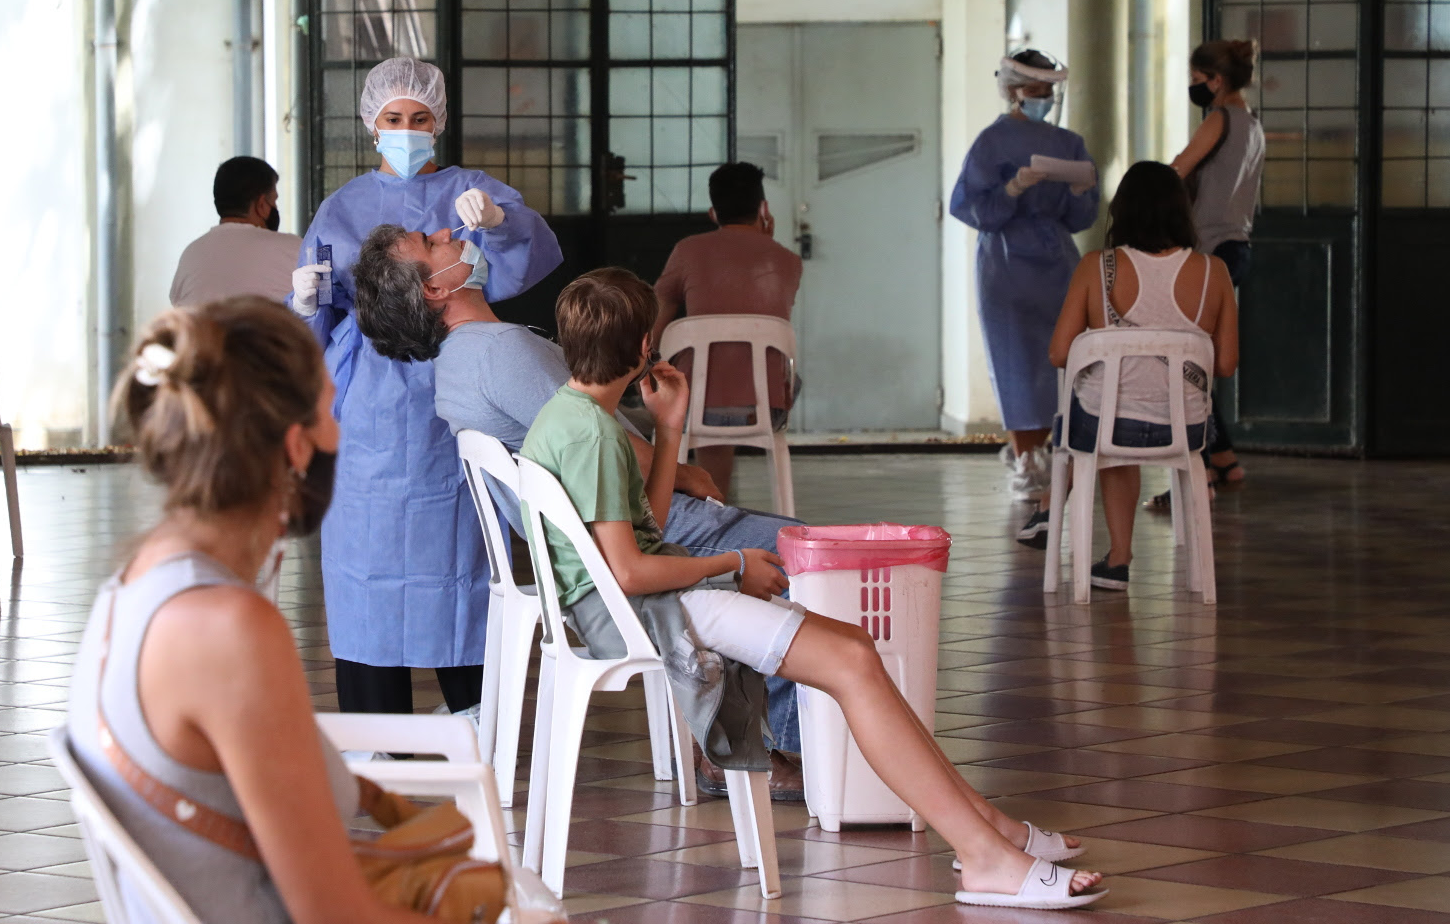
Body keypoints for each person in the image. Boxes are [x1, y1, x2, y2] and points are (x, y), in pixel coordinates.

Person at [520, 268, 1106, 911]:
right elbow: (629, 571)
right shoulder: (596, 436)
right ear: (643, 350)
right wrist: (732, 563)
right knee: (852, 658)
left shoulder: (570, 416)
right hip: (640, 610)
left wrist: (669, 429)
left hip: (628, 603)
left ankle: (988, 830)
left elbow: (646, 532)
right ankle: (984, 857)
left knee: (855, 652)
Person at [350, 222, 804, 801]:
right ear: (435, 289)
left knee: (797, 547)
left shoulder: (461, 360)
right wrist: (686, 472)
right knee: (811, 559)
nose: (446, 232)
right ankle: (788, 750)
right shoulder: (498, 353)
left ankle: (746, 740)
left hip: (604, 542)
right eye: (431, 243)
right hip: (635, 539)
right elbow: (610, 446)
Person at [64, 298, 439, 924]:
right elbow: (335, 914)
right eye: (329, 411)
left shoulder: (130, 588)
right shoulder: (229, 629)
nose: (339, 432)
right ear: (296, 447)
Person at [288, 57, 563, 719]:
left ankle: (475, 721)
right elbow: (313, 318)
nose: (407, 130)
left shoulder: (470, 191)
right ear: (371, 124)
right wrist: (302, 305)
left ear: (437, 122)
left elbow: (527, 253)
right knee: (366, 564)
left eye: (419, 118)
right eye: (394, 118)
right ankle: (378, 734)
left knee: (457, 559)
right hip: (368, 408)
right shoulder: (341, 207)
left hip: (455, 384)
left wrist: (499, 221)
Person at [1048, 162, 1238, 591]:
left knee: (1106, 418)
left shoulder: (1096, 266)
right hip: (1185, 429)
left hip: (1108, 427)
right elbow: (1225, 365)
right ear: (1183, 210)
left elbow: (1059, 353)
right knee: (1122, 412)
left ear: (1122, 210)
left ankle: (1118, 556)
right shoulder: (1215, 272)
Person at [948, 50, 1100, 549]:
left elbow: (1081, 215)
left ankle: (1056, 449)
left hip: (1057, 260)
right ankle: (1025, 456)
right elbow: (969, 205)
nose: (1045, 100)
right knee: (1014, 358)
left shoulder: (1068, 143)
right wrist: (1011, 190)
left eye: (1049, 93)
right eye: (1036, 92)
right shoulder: (992, 142)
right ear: (1014, 92)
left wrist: (1078, 189)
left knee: (1061, 358)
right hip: (1006, 262)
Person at [1147, 39, 1263, 509]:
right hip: (1236, 248)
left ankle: (1197, 478)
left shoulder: (1220, 119)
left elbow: (1178, 170)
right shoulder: (1253, 124)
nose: (1194, 87)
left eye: (1196, 79)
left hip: (1210, 249)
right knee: (1197, 360)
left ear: (1215, 80)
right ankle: (1224, 460)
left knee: (1182, 366)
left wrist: (1141, 194)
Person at [650, 162, 804, 495]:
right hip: (766, 408)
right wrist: (765, 242)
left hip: (696, 408)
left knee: (701, 379)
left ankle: (714, 498)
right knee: (768, 372)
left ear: (713, 212)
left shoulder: (687, 251)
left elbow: (655, 328)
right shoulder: (788, 261)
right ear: (763, 210)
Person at [169, 157, 304, 306]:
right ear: (261, 205)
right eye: (274, 200)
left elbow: (177, 306)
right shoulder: (294, 249)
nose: (275, 208)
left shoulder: (191, 254)